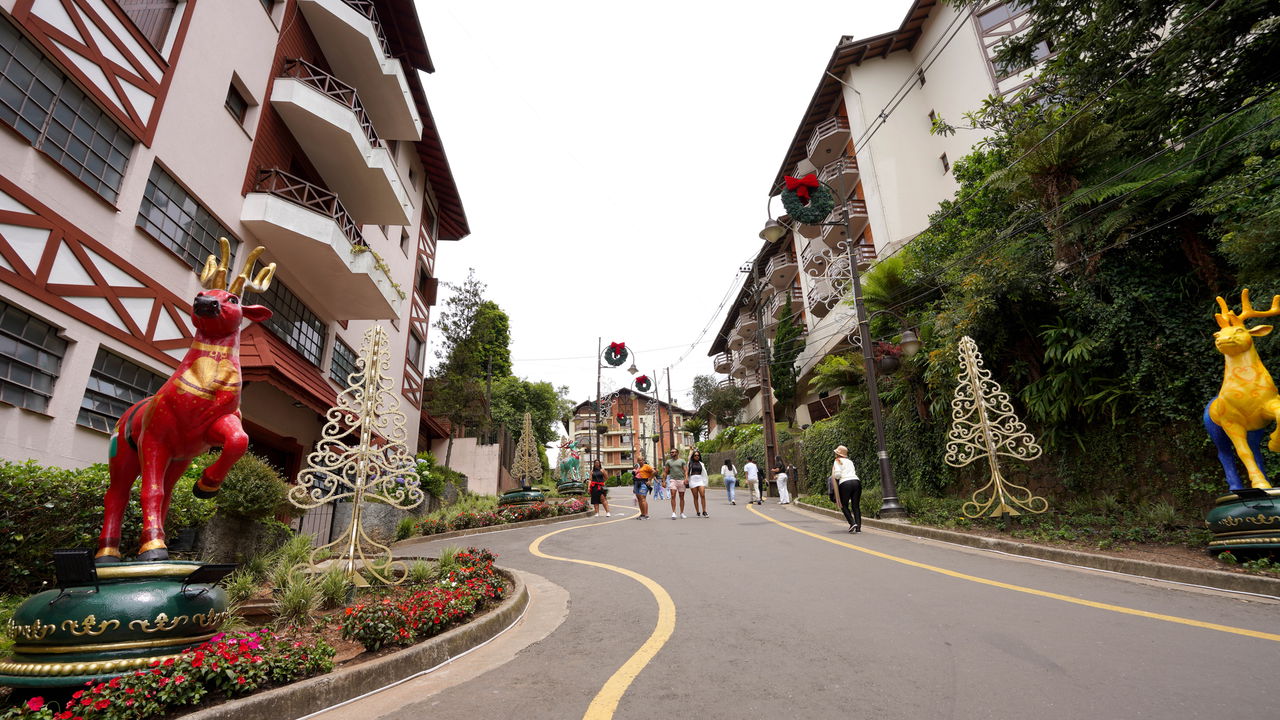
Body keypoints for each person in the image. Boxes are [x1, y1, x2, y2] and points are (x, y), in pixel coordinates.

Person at [830, 445, 861, 533]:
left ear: (837, 454)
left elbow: (838, 475)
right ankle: (858, 528)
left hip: (845, 483)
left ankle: (852, 522)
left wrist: (834, 477)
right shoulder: (850, 461)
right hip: (856, 481)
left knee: (843, 504)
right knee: (856, 506)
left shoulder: (837, 461)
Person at [664, 448, 688, 518]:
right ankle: (674, 513)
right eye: (671, 452)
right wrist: (663, 481)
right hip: (673, 480)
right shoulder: (668, 462)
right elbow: (665, 472)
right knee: (673, 495)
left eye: (673, 452)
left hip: (681, 480)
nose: (672, 453)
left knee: (681, 497)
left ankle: (682, 513)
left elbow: (685, 470)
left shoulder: (682, 461)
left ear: (677, 453)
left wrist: (686, 478)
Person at [687, 449, 710, 517]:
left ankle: (704, 511)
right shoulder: (689, 463)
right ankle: (697, 511)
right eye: (695, 455)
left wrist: (705, 481)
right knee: (695, 497)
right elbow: (687, 471)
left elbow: (704, 473)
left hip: (700, 480)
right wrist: (686, 479)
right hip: (692, 480)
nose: (697, 456)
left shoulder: (701, 464)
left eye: (698, 455)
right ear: (693, 456)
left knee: (702, 495)